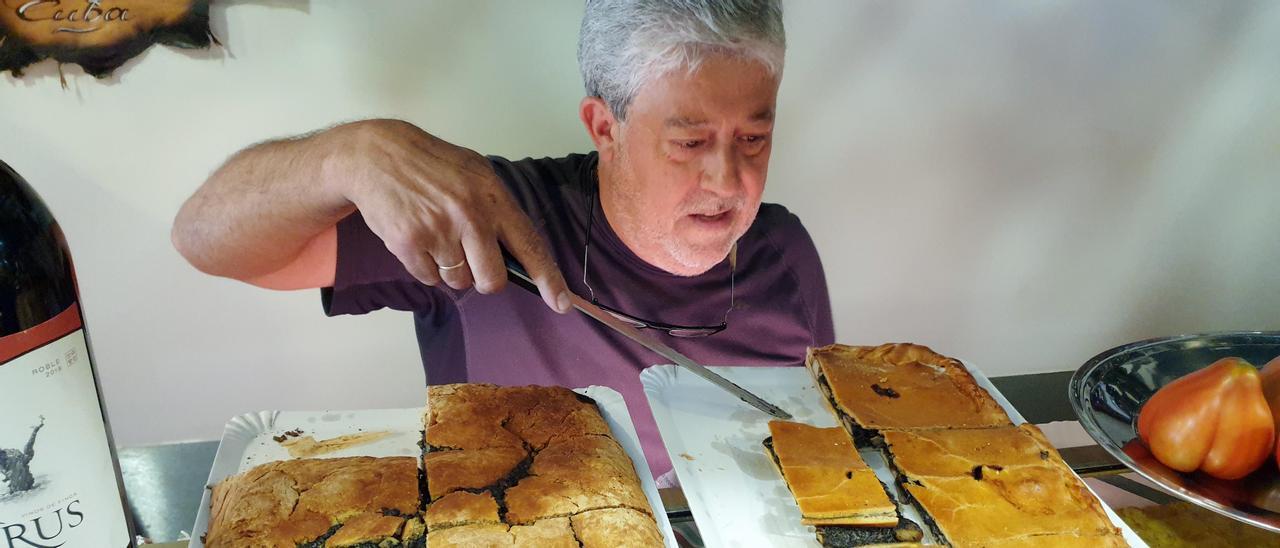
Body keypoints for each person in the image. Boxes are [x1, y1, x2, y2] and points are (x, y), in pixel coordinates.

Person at [171, 0, 833, 483]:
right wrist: (343, 155)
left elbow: (821, 470)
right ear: (604, 127)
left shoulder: (787, 257)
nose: (727, 179)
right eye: (689, 142)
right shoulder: (486, 218)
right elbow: (204, 239)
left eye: (754, 137)